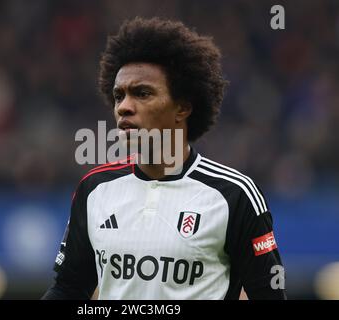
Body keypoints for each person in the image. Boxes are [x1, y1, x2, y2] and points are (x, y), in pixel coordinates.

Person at [42, 17, 286, 300]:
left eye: (142, 93)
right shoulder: (93, 189)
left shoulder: (234, 195)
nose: (124, 107)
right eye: (118, 96)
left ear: (182, 108)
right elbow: (67, 288)